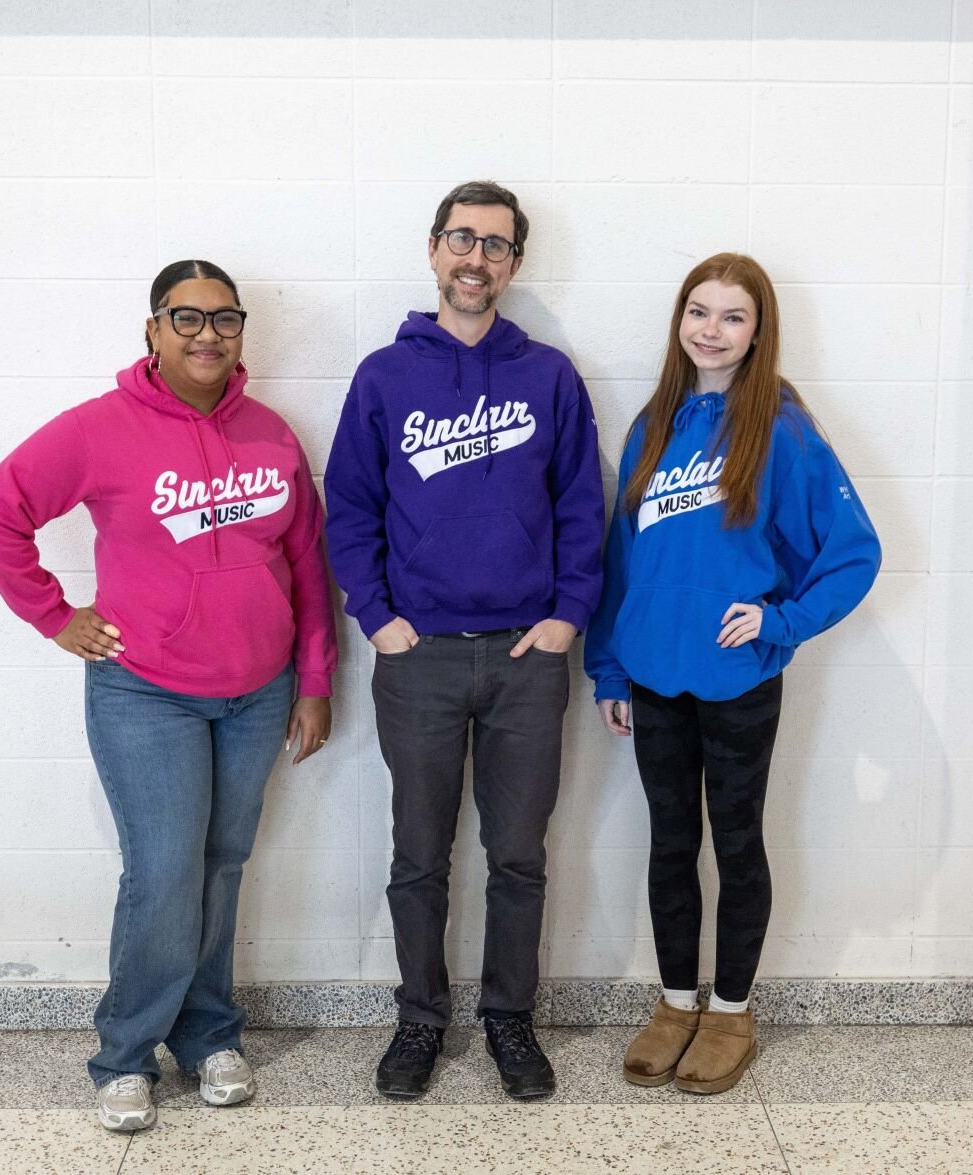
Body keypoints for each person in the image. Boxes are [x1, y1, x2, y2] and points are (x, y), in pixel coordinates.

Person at [0, 260, 337, 1132]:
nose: (208, 334)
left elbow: (307, 563)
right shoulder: (100, 428)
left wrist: (314, 679)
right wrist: (54, 615)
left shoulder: (272, 434)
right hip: (146, 692)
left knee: (221, 862)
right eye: (187, 317)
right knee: (164, 870)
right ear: (153, 329)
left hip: (258, 692)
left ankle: (208, 1035)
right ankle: (125, 1053)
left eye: (225, 318)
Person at [324, 181, 605, 1100]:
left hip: (528, 655)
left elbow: (581, 505)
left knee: (518, 855)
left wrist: (566, 615)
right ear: (433, 249)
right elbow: (349, 509)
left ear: (514, 262)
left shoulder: (548, 375)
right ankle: (419, 1018)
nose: (474, 258)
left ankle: (509, 1019)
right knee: (419, 855)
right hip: (421, 659)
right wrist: (377, 616)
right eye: (460, 238)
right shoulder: (383, 376)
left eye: (494, 244)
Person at [584, 253, 880, 1095]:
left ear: (758, 331)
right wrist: (608, 667)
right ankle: (675, 1003)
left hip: (738, 678)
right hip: (651, 674)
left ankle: (730, 1011)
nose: (709, 329)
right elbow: (621, 557)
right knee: (670, 843)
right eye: (697, 311)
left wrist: (779, 621)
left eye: (731, 316)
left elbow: (853, 554)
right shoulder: (653, 424)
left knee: (737, 842)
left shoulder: (782, 430)